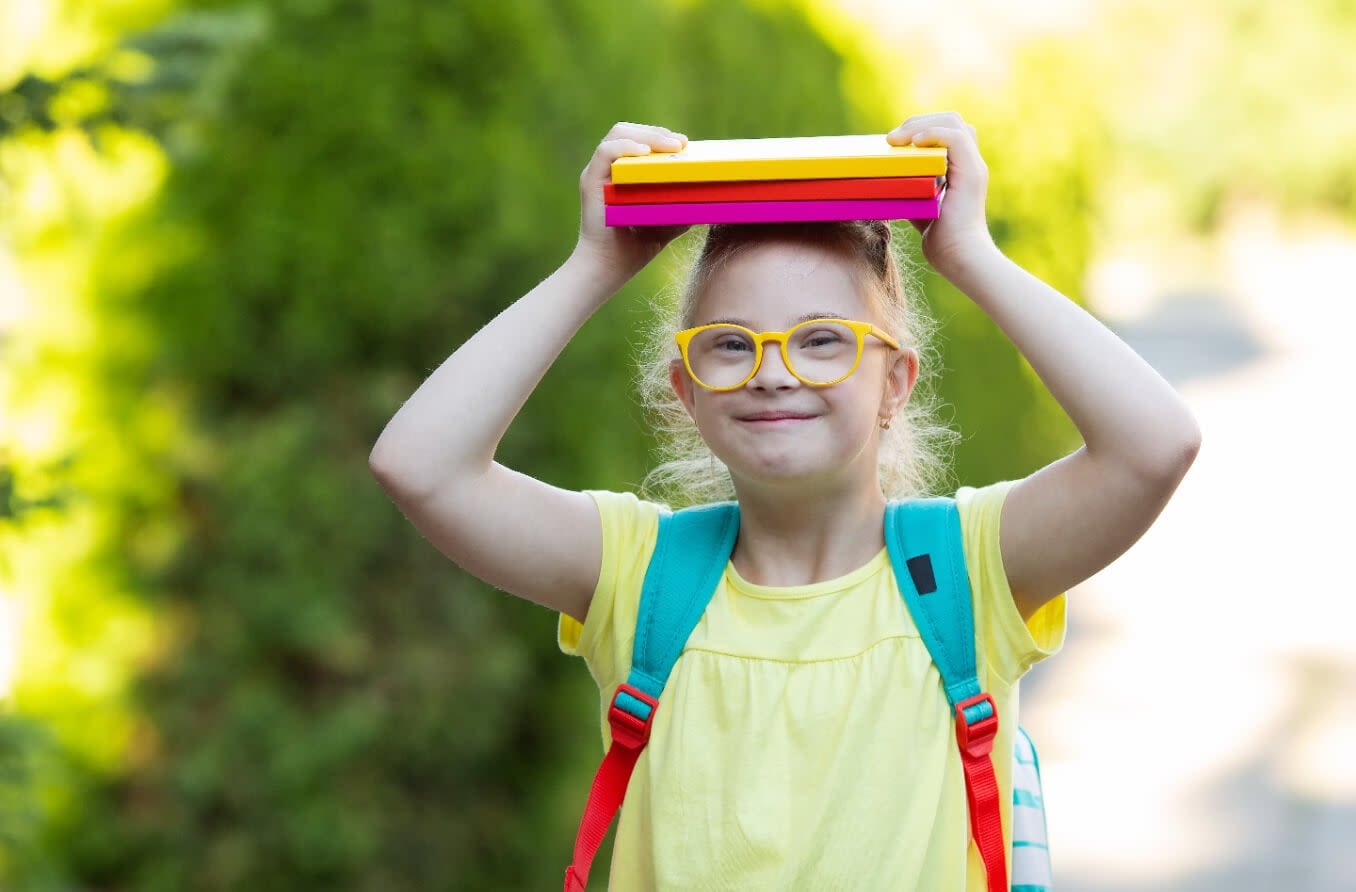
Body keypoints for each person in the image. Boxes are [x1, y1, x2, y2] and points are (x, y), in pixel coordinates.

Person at [368, 112, 1201, 890]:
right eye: (730, 345)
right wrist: (597, 263)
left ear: (895, 382)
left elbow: (1153, 445)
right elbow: (421, 466)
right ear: (685, 390)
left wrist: (969, 254)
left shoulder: (969, 570)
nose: (774, 370)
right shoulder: (640, 574)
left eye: (823, 341)